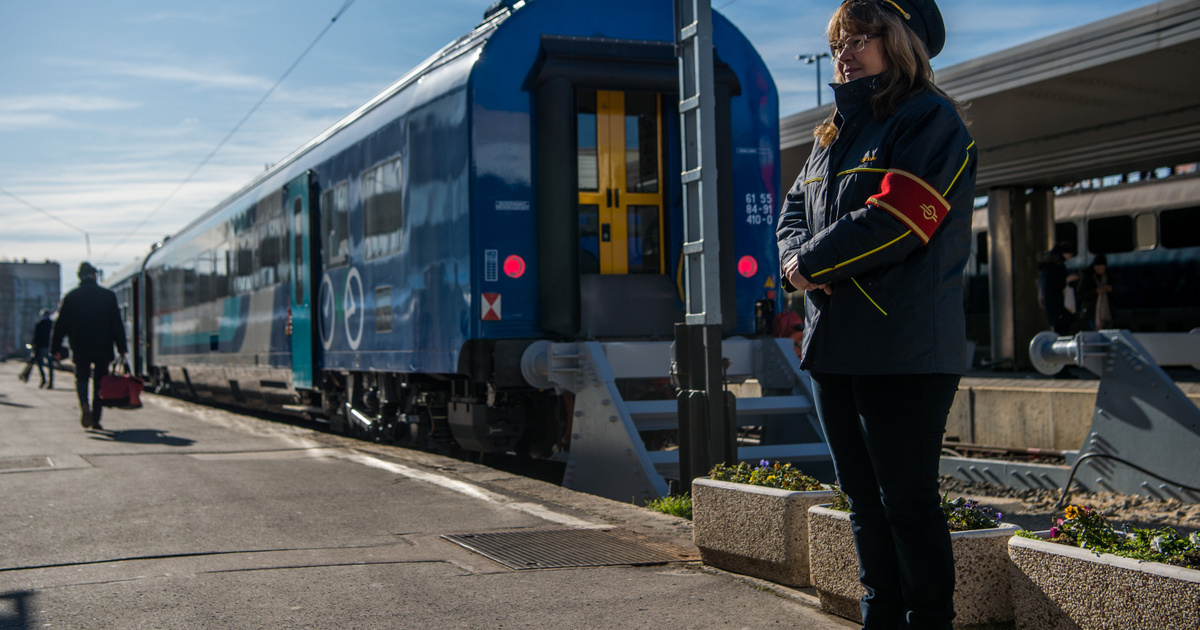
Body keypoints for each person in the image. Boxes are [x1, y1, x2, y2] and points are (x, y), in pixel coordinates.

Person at [775, 1, 975, 627]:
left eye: (862, 37)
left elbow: (898, 217)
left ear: (902, 41)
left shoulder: (930, 120)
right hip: (836, 346)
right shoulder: (834, 133)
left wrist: (813, 267)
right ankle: (879, 616)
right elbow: (791, 215)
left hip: (905, 346)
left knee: (906, 502)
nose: (845, 50)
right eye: (840, 39)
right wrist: (797, 265)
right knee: (863, 500)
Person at [51, 262, 127, 430]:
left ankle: (84, 404)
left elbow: (60, 325)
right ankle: (96, 419)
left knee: (82, 379)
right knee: (100, 381)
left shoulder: (71, 297)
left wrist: (55, 348)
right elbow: (116, 323)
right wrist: (122, 347)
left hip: (80, 347)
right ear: (94, 275)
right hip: (103, 348)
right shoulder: (107, 296)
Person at [1037, 241, 1079, 335]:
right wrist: (1066, 280)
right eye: (1070, 255)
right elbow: (1051, 284)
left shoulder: (1052, 262)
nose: (1070, 258)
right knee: (1062, 329)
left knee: (1061, 328)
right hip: (1057, 304)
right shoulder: (1053, 264)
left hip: (1056, 304)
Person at [1076, 254, 1114, 330]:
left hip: (1107, 312)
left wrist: (1110, 290)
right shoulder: (1087, 278)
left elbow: (1116, 294)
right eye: (1098, 269)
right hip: (1092, 312)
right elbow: (1080, 295)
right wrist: (1095, 291)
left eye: (1102, 269)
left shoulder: (1109, 277)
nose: (1100, 271)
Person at [32, 309, 55, 389]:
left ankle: (43, 380)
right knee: (50, 366)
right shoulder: (52, 324)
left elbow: (35, 337)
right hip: (50, 348)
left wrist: (34, 346)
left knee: (40, 364)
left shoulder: (39, 324)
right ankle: (51, 382)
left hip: (41, 347)